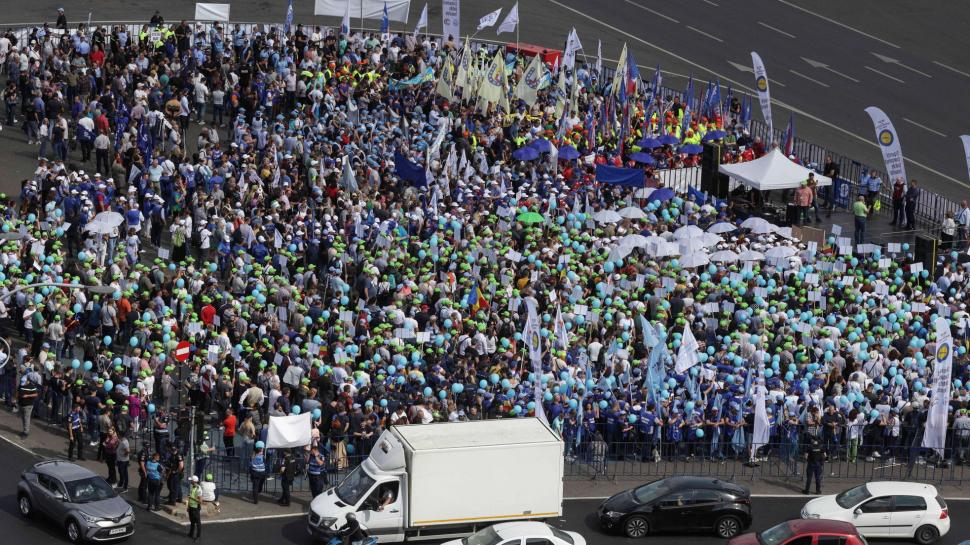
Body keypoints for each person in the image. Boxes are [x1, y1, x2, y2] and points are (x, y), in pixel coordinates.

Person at [186, 475, 203, 541]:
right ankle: (191, 534)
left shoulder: (198, 489)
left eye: (191, 480)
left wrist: (191, 498)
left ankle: (198, 536)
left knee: (198, 523)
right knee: (192, 522)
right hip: (191, 507)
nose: (190, 481)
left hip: (195, 508)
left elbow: (200, 501)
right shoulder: (193, 487)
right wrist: (188, 506)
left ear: (194, 481)